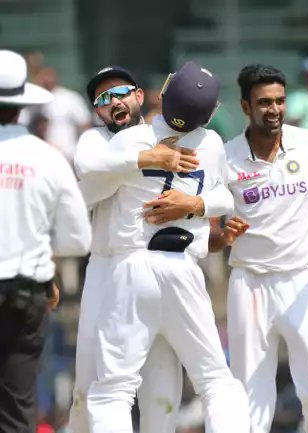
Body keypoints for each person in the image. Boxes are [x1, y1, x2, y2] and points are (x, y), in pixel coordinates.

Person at [80, 62, 249, 433]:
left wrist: (192, 203)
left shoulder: (128, 140)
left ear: (162, 97)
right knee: (216, 381)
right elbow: (226, 196)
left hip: (130, 268)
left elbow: (86, 190)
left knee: (113, 390)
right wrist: (199, 203)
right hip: (182, 269)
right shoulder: (212, 143)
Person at [216, 64, 308, 433]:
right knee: (250, 401)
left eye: (280, 101)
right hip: (250, 284)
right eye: (264, 102)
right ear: (245, 107)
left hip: (307, 280)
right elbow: (210, 237)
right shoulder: (225, 157)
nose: (275, 109)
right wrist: (224, 234)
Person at [69, 65, 194, 433]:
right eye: (103, 100)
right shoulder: (94, 140)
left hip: (160, 264)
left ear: (139, 96)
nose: (113, 103)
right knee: (88, 384)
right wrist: (145, 160)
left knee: (161, 388)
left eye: (120, 93)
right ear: (97, 111)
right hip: (105, 268)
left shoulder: (165, 135)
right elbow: (87, 174)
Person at [0, 50, 91, 433]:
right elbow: (77, 239)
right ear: (23, 105)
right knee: (18, 404)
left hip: (27, 289)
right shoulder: (48, 158)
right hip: (25, 295)